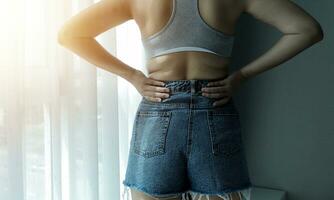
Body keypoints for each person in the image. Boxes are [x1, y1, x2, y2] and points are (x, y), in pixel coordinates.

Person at [57, 0, 324, 199]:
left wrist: (133, 76)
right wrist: (241, 76)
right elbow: (308, 30)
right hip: (214, 108)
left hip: (159, 110)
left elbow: (69, 34)